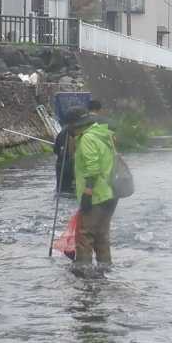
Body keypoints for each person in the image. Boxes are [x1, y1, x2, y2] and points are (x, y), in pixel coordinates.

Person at [68, 105, 119, 275]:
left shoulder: (87, 138)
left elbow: (93, 167)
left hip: (96, 194)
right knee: (102, 233)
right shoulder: (104, 134)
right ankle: (105, 267)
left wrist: (88, 191)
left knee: (85, 234)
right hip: (111, 192)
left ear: (75, 125)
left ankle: (83, 271)